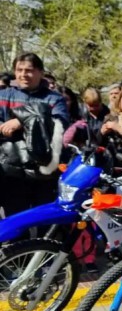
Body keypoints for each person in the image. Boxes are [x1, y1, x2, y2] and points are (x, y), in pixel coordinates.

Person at [0, 52, 69, 216]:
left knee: (44, 220)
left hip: (44, 170)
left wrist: (21, 121)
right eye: (19, 70)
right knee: (15, 220)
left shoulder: (54, 99)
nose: (24, 75)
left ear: (40, 72)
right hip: (11, 169)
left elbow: (60, 125)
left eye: (29, 70)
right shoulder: (3, 95)